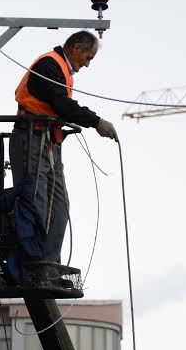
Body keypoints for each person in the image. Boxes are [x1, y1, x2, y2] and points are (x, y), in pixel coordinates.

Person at [10, 31, 118, 262]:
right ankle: (34, 264)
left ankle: (48, 263)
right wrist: (96, 122)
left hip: (47, 142)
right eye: (88, 58)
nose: (87, 65)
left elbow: (60, 105)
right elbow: (62, 105)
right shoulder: (50, 65)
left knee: (59, 206)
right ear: (76, 48)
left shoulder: (60, 69)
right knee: (35, 201)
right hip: (31, 139)